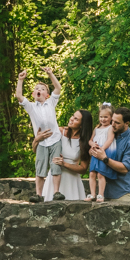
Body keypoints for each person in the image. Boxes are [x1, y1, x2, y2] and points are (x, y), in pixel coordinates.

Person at [16, 67, 64, 202]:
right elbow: (19, 96)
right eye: (37, 89)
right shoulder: (31, 107)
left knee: (55, 165)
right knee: (40, 166)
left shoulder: (51, 103)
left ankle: (56, 192)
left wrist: (50, 73)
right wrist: (20, 80)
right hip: (42, 142)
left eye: (42, 89)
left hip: (55, 139)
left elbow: (58, 88)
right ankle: (38, 194)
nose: (39, 90)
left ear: (47, 95)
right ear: (33, 94)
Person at [33, 110, 93, 201]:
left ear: (82, 125)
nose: (72, 119)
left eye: (76, 119)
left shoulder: (85, 142)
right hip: (54, 178)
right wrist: (36, 140)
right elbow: (36, 151)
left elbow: (83, 169)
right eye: (73, 116)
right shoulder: (59, 132)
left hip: (72, 181)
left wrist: (64, 164)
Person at [88, 107, 130, 202]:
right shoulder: (107, 133)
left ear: (126, 123)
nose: (112, 124)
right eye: (112, 121)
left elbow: (124, 168)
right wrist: (92, 151)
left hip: (121, 194)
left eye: (117, 123)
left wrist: (104, 158)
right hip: (104, 195)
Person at [85, 103, 117, 202]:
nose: (103, 119)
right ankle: (92, 194)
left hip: (104, 152)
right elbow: (90, 140)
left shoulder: (110, 128)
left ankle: (100, 194)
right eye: (101, 117)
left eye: (106, 117)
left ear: (111, 117)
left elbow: (110, 140)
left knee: (100, 174)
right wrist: (92, 145)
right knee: (92, 173)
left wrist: (102, 149)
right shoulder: (96, 128)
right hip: (96, 152)